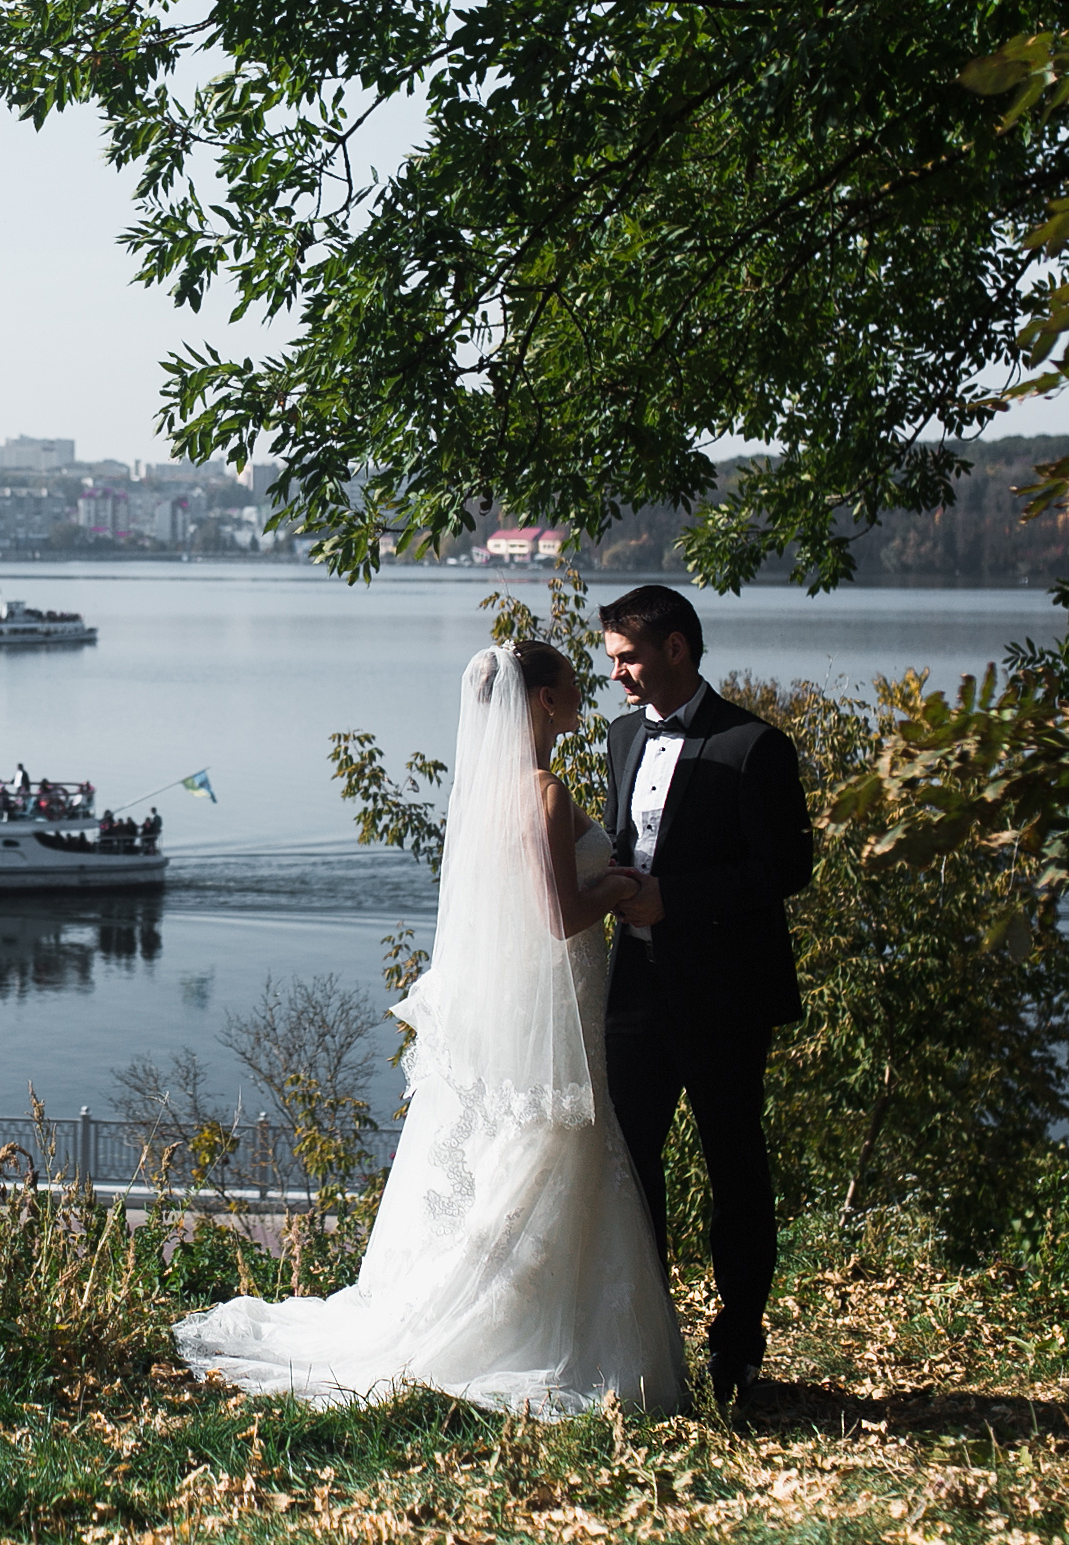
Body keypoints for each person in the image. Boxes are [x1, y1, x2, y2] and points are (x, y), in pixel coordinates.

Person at [175, 642, 684, 1414]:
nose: (584, 694)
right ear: (542, 700)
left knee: (518, 1148)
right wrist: (616, 887)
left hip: (525, 1004)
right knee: (556, 1142)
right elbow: (557, 915)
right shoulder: (543, 791)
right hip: (558, 999)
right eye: (572, 685)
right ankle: (534, 1331)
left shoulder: (487, 792)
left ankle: (522, 1306)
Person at [598, 584, 816, 1406]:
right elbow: (630, 842)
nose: (616, 673)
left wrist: (674, 900)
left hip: (726, 993)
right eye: (612, 658)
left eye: (627, 657)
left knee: (734, 1166)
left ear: (677, 650)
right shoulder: (621, 738)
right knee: (628, 1166)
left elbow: (787, 869)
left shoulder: (754, 746)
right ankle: (648, 1339)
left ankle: (738, 1346)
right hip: (636, 994)